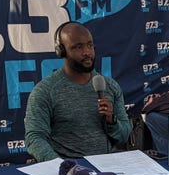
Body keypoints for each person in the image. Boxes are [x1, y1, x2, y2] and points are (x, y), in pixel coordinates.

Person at [24, 22, 131, 162]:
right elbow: (35, 138)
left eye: (90, 45)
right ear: (61, 51)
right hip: (68, 172)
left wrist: (112, 121)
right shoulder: (45, 91)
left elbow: (124, 136)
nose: (87, 52)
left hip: (107, 168)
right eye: (78, 47)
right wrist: (62, 167)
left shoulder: (109, 86)